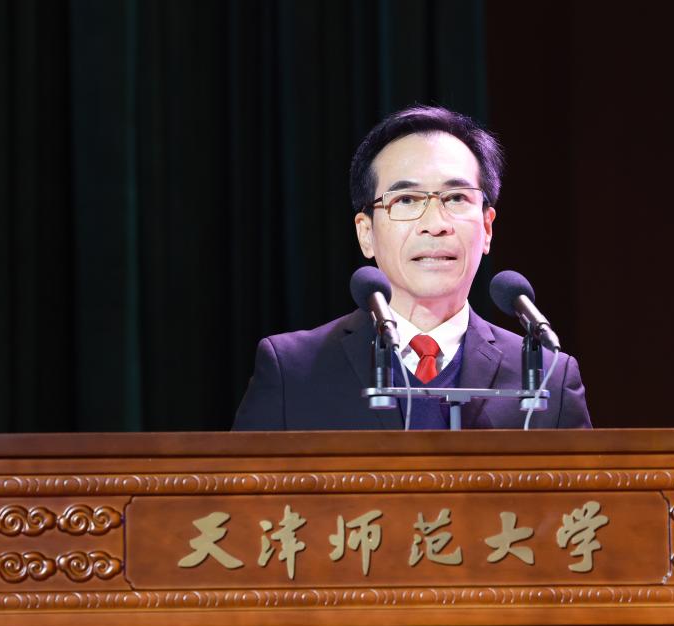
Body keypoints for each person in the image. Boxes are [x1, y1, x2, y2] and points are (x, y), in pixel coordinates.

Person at [233, 105, 590, 430]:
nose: (435, 224)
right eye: (406, 200)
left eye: (456, 198)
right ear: (366, 233)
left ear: (487, 228)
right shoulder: (292, 370)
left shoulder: (549, 378)